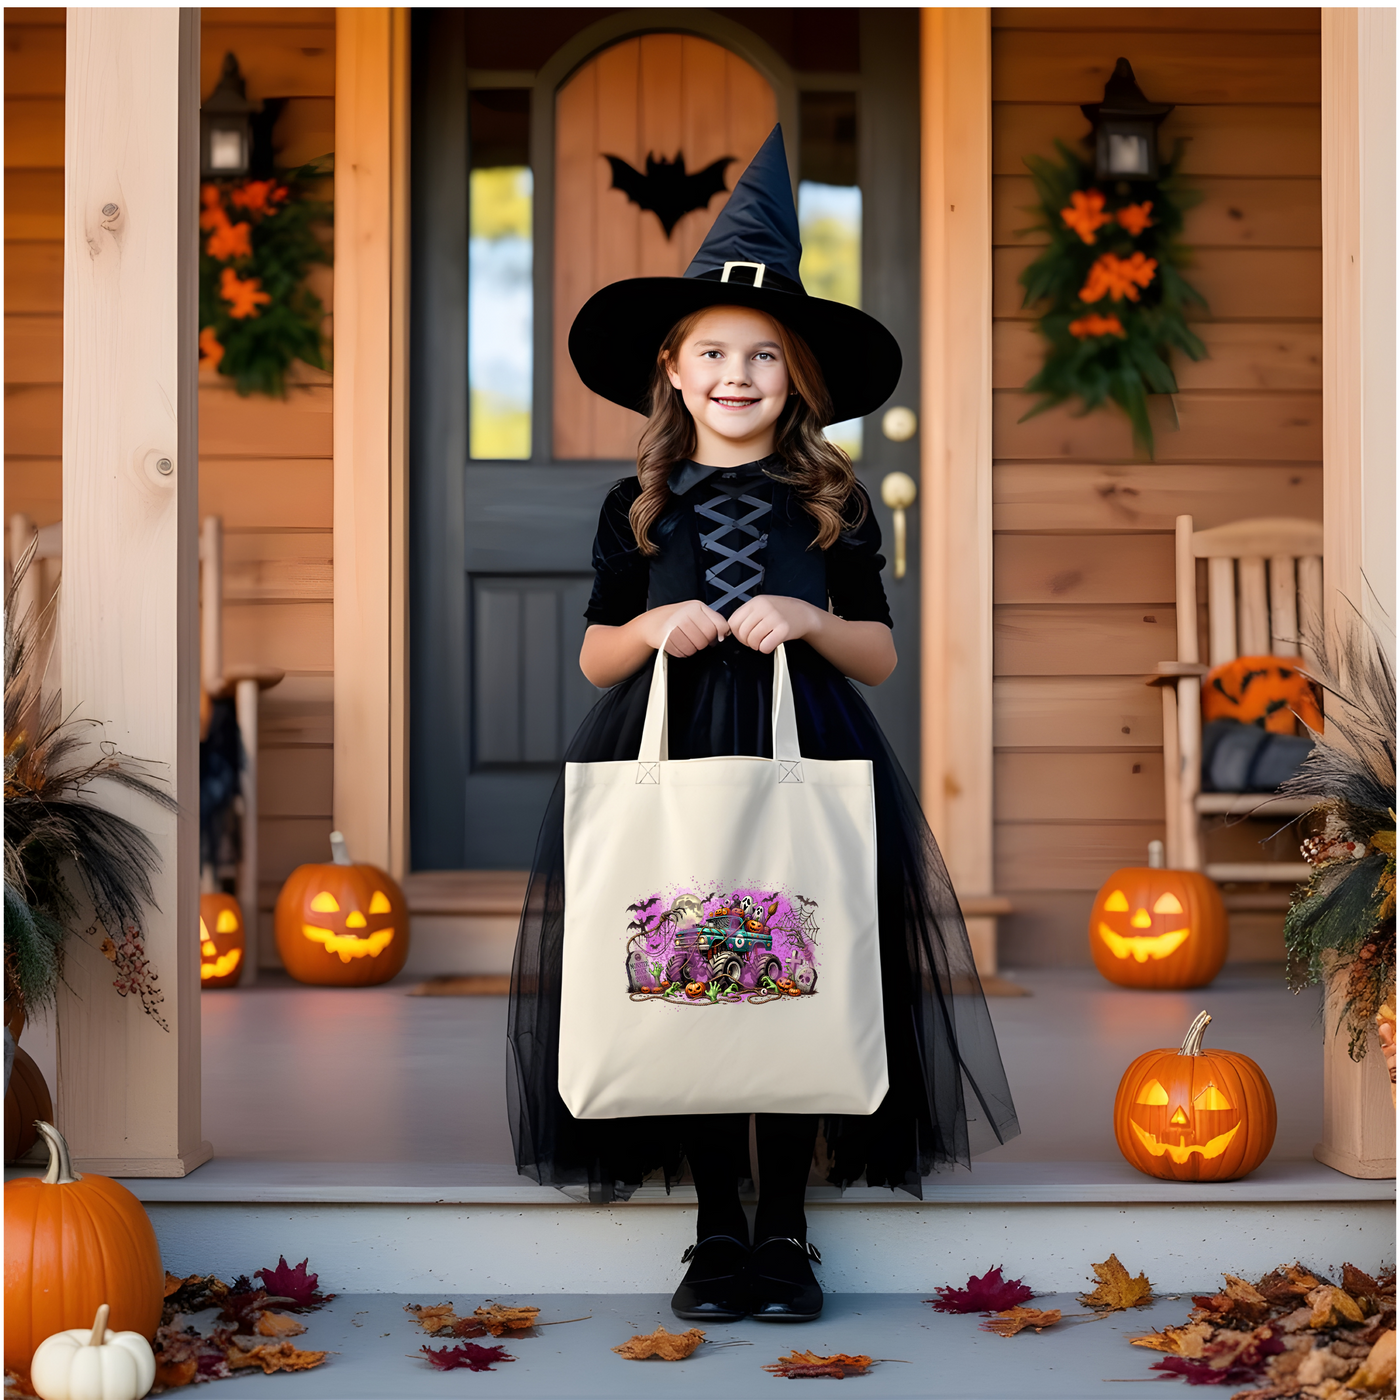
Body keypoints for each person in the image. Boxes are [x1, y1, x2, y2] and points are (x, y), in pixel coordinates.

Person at [508, 126, 1019, 1324]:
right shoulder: (632, 507)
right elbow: (592, 649)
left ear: (796, 379)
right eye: (712, 352)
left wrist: (803, 613)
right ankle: (711, 1230)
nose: (737, 374)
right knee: (689, 980)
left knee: (790, 979)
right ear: (672, 371)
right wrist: (653, 629)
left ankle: (784, 1225)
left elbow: (879, 652)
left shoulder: (829, 500)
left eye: (763, 357)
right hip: (675, 751)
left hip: (807, 756)